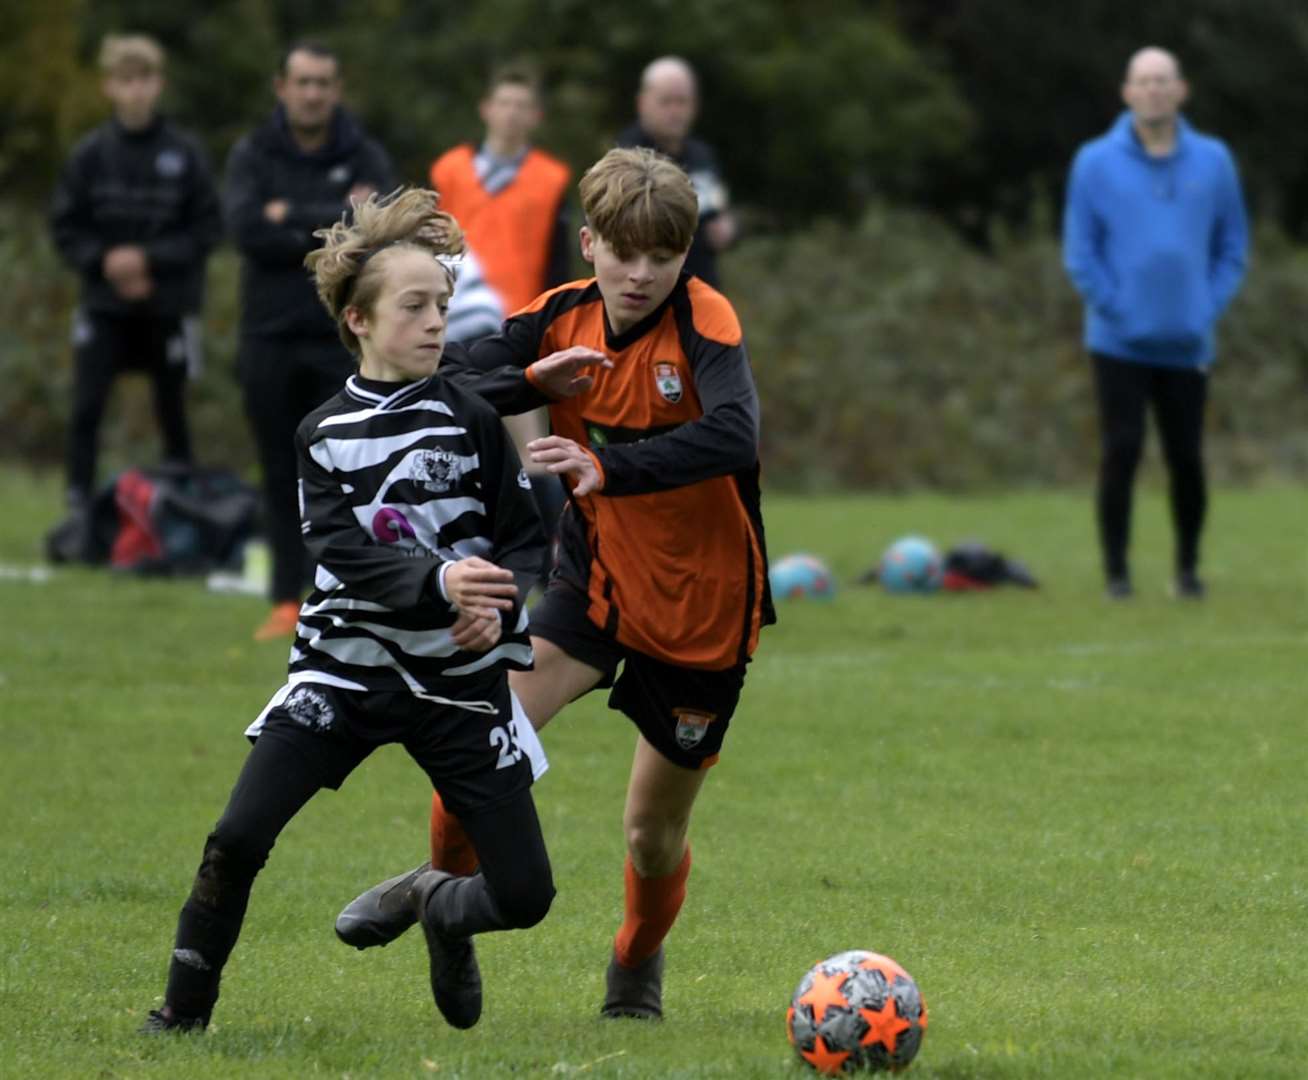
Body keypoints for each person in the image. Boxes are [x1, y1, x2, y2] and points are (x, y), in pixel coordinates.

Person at [333, 147, 774, 1021]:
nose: (641, 273)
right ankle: (448, 909)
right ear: (588, 243)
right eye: (624, 251)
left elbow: (735, 434)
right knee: (482, 740)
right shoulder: (556, 319)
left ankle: (634, 967)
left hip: (703, 609)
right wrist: (532, 381)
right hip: (597, 582)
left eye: (662, 255)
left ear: (684, 256)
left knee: (652, 836)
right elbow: (444, 383)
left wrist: (611, 469)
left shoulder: (704, 321)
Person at [142, 188, 563, 1034]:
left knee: (526, 895)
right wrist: (440, 586)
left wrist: (500, 604)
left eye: (442, 305)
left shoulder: (473, 419)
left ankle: (437, 904)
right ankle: (181, 1018)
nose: (437, 322)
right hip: (342, 670)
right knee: (235, 838)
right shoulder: (322, 434)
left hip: (456, 681)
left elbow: (528, 541)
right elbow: (340, 549)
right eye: (415, 307)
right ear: (360, 322)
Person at [1063, 46, 1248, 600]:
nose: (1153, 90)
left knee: (1186, 457)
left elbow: (1232, 246)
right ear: (1126, 92)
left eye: (1163, 81)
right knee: (1121, 451)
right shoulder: (1093, 162)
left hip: (1188, 340)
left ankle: (1187, 571)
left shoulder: (1214, 161)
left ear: (1181, 90)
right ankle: (1116, 574)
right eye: (1143, 81)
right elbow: (1081, 252)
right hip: (1117, 341)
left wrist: (1203, 307)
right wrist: (1117, 308)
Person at [224, 41, 395, 639]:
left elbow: (378, 234)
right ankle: (283, 601)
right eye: (303, 82)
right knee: (277, 468)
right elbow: (245, 230)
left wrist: (287, 217)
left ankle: (347, 598)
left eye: (324, 82)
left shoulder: (366, 152)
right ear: (283, 87)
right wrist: (331, 220)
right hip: (267, 337)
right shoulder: (253, 153)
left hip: (341, 342)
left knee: (349, 470)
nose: (313, 93)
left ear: (337, 88)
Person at [48, 33, 221, 557]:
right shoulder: (90, 155)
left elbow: (207, 229)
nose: (136, 91)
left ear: (158, 85)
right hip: (104, 307)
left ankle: (183, 510)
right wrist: (105, 263)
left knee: (172, 409)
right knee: (87, 407)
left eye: (145, 80)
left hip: (168, 308)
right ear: (110, 87)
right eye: (126, 80)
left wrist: (150, 262)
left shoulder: (184, 154)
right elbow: (65, 226)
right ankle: (80, 510)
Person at [429, 64, 574, 565]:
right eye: (503, 103)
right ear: (486, 109)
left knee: (531, 452)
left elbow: (558, 266)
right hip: (452, 332)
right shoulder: (449, 172)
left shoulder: (550, 180)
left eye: (522, 105)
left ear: (535, 116)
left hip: (517, 333)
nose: (511, 114)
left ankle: (560, 556)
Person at [616, 56, 736, 290]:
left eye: (682, 102)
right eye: (666, 102)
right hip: (644, 291)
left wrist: (728, 227)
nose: (675, 111)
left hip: (700, 287)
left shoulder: (703, 157)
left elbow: (717, 207)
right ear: (642, 103)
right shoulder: (624, 156)